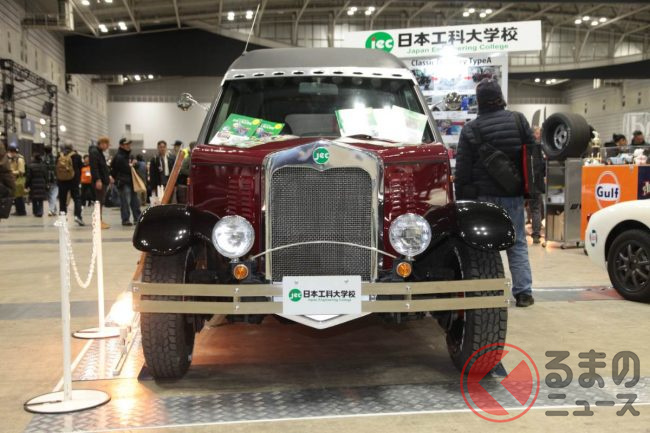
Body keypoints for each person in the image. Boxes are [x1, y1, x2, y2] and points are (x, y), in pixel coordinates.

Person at [454, 78, 535, 308]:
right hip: (513, 193)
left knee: (486, 244)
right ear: (500, 98)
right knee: (517, 243)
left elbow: (463, 170)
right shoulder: (519, 120)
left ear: (479, 102)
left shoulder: (471, 129)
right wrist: (530, 191)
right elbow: (532, 157)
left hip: (483, 197)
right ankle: (524, 293)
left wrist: (462, 201)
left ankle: (488, 291)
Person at [111, 138, 141, 226]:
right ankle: (125, 219)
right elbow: (125, 168)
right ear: (121, 145)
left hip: (131, 182)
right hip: (123, 182)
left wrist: (135, 164)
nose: (128, 146)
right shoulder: (119, 156)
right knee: (125, 202)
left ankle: (137, 218)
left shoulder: (129, 155)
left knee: (135, 201)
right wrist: (132, 165)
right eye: (126, 144)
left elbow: (136, 166)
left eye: (129, 144)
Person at [56, 144, 84, 226]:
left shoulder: (59, 156)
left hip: (62, 181)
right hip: (74, 181)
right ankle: (77, 216)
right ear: (72, 148)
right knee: (77, 198)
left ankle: (63, 217)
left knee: (62, 199)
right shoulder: (77, 156)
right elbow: (81, 167)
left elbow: (56, 168)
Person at [527, 126, 544, 244]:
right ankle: (536, 235)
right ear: (535, 134)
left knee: (521, 208)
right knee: (536, 209)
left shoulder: (524, 146)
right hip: (536, 183)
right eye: (538, 133)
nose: (540, 135)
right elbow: (542, 166)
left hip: (525, 182)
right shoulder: (538, 147)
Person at [89, 137, 112, 229]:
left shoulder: (99, 152)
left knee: (100, 202)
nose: (107, 147)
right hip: (99, 181)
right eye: (107, 144)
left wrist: (108, 176)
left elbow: (102, 167)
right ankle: (97, 221)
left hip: (103, 180)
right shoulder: (94, 152)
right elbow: (94, 168)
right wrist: (98, 180)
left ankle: (99, 220)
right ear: (102, 143)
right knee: (98, 202)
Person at [7, 143, 26, 216]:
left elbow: (21, 171)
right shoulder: (11, 159)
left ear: (13, 152)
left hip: (18, 180)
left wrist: (11, 172)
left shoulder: (19, 159)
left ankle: (22, 211)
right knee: (16, 196)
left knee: (19, 196)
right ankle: (18, 210)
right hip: (13, 180)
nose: (9, 153)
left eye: (10, 152)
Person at [43, 145, 58, 216]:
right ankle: (53, 209)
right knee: (53, 195)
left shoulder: (43, 159)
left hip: (46, 179)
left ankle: (51, 210)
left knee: (50, 195)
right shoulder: (55, 158)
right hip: (55, 178)